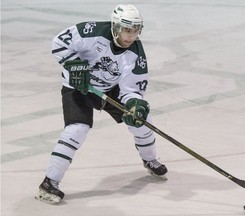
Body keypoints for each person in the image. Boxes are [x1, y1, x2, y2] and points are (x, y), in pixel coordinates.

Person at [35, 4, 168, 204]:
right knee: (77, 129)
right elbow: (60, 42)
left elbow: (131, 89)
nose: (131, 36)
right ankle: (49, 182)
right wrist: (73, 65)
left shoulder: (136, 55)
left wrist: (135, 105)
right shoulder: (92, 32)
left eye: (135, 31)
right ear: (115, 27)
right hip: (78, 86)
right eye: (127, 30)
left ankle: (149, 159)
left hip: (107, 89)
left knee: (142, 121)